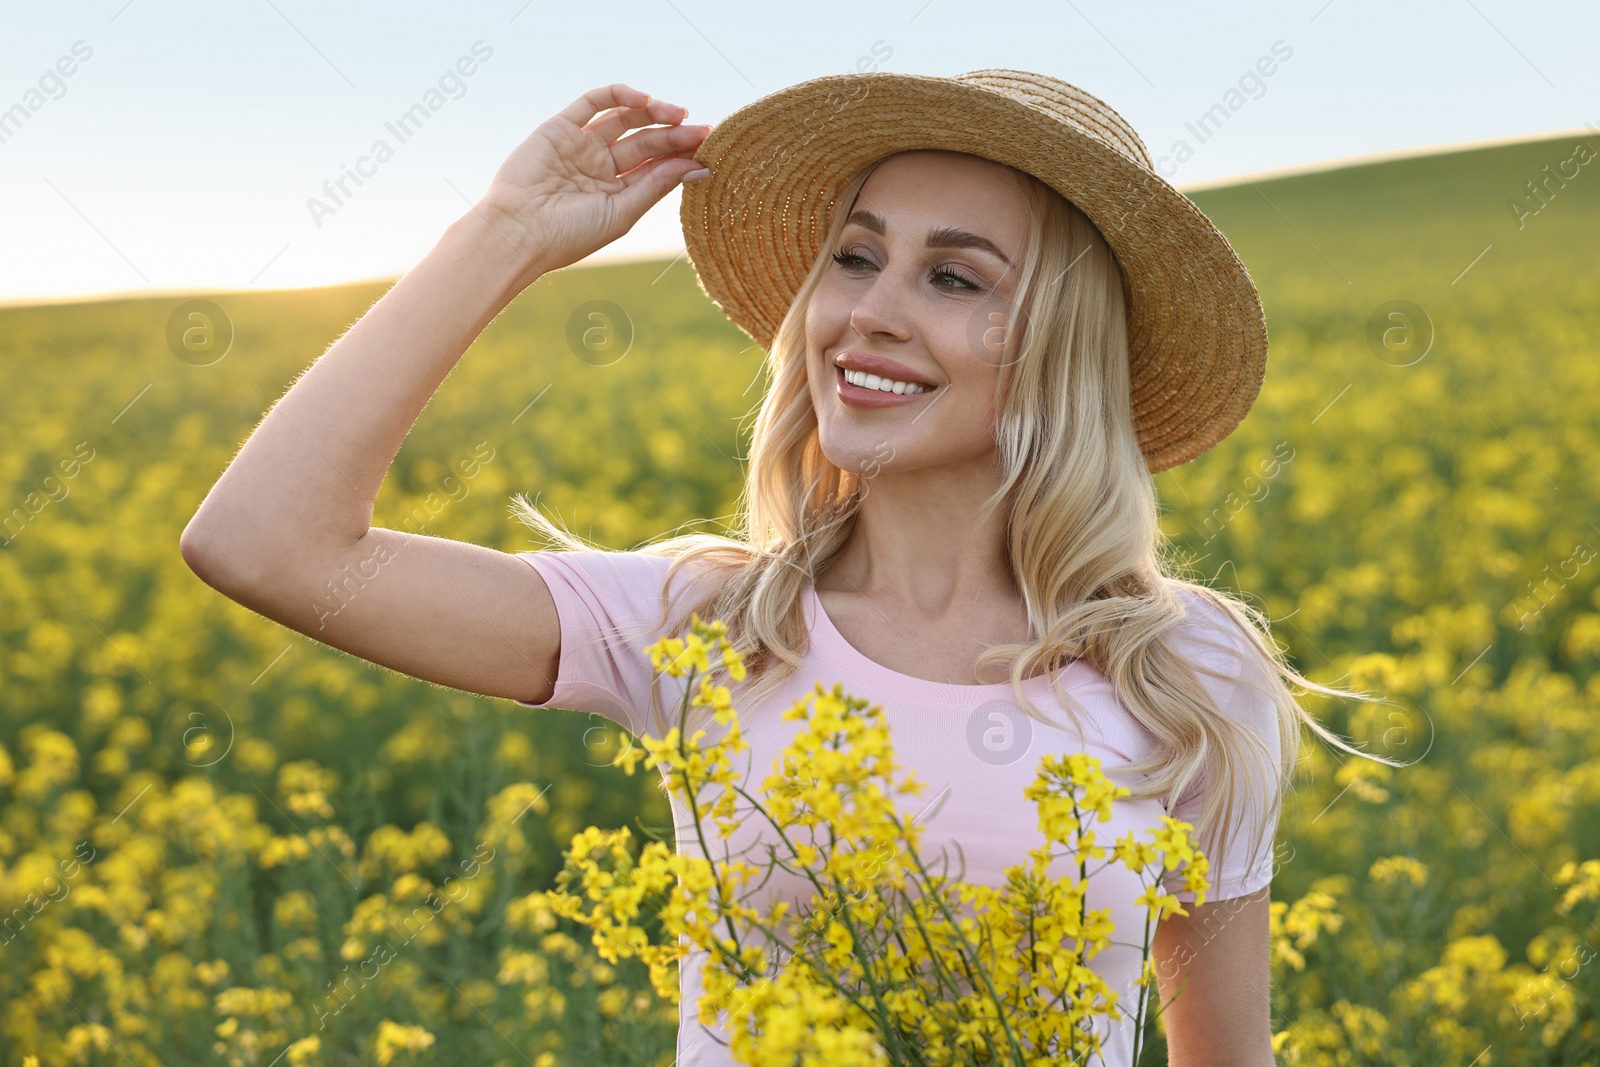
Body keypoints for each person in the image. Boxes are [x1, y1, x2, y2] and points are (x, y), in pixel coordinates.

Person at [181, 71, 1391, 1065]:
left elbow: (1227, 1057)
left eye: (954, 276)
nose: (867, 309)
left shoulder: (1185, 673)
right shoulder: (708, 621)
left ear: (1059, 352)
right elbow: (265, 544)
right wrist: (503, 235)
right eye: (855, 258)